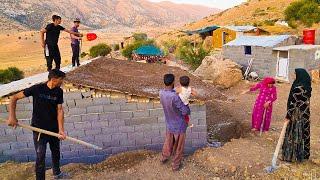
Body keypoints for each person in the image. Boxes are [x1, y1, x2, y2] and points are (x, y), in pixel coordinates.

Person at [7, 69, 68, 180]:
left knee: (56, 153)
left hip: (54, 129)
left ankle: (57, 174)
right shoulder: (37, 89)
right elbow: (14, 98)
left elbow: (60, 110)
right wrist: (12, 117)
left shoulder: (59, 92)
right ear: (53, 79)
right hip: (39, 130)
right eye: (60, 80)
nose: (62, 83)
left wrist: (61, 129)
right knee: (40, 157)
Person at [160, 74, 190, 171]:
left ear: (164, 82)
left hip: (169, 123)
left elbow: (170, 93)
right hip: (179, 125)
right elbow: (185, 111)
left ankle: (164, 157)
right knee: (179, 146)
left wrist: (175, 91)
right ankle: (175, 165)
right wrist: (187, 106)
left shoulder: (161, 93)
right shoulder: (175, 97)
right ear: (173, 82)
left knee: (168, 142)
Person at [282, 68, 312, 162]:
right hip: (305, 114)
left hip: (297, 114)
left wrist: (288, 116)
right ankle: (303, 155)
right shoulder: (307, 87)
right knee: (304, 133)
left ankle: (292, 156)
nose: (293, 76)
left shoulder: (298, 88)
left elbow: (293, 104)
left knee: (294, 133)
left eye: (295, 74)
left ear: (299, 75)